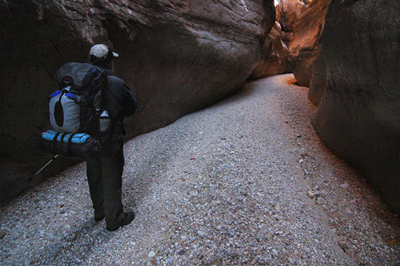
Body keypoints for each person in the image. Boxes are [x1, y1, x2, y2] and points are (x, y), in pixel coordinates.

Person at [86, 44, 137, 231]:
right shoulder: (116, 83)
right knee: (111, 174)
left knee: (94, 172)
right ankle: (114, 217)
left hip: (87, 138)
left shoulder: (82, 81)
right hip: (109, 138)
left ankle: (99, 212)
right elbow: (131, 108)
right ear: (109, 62)